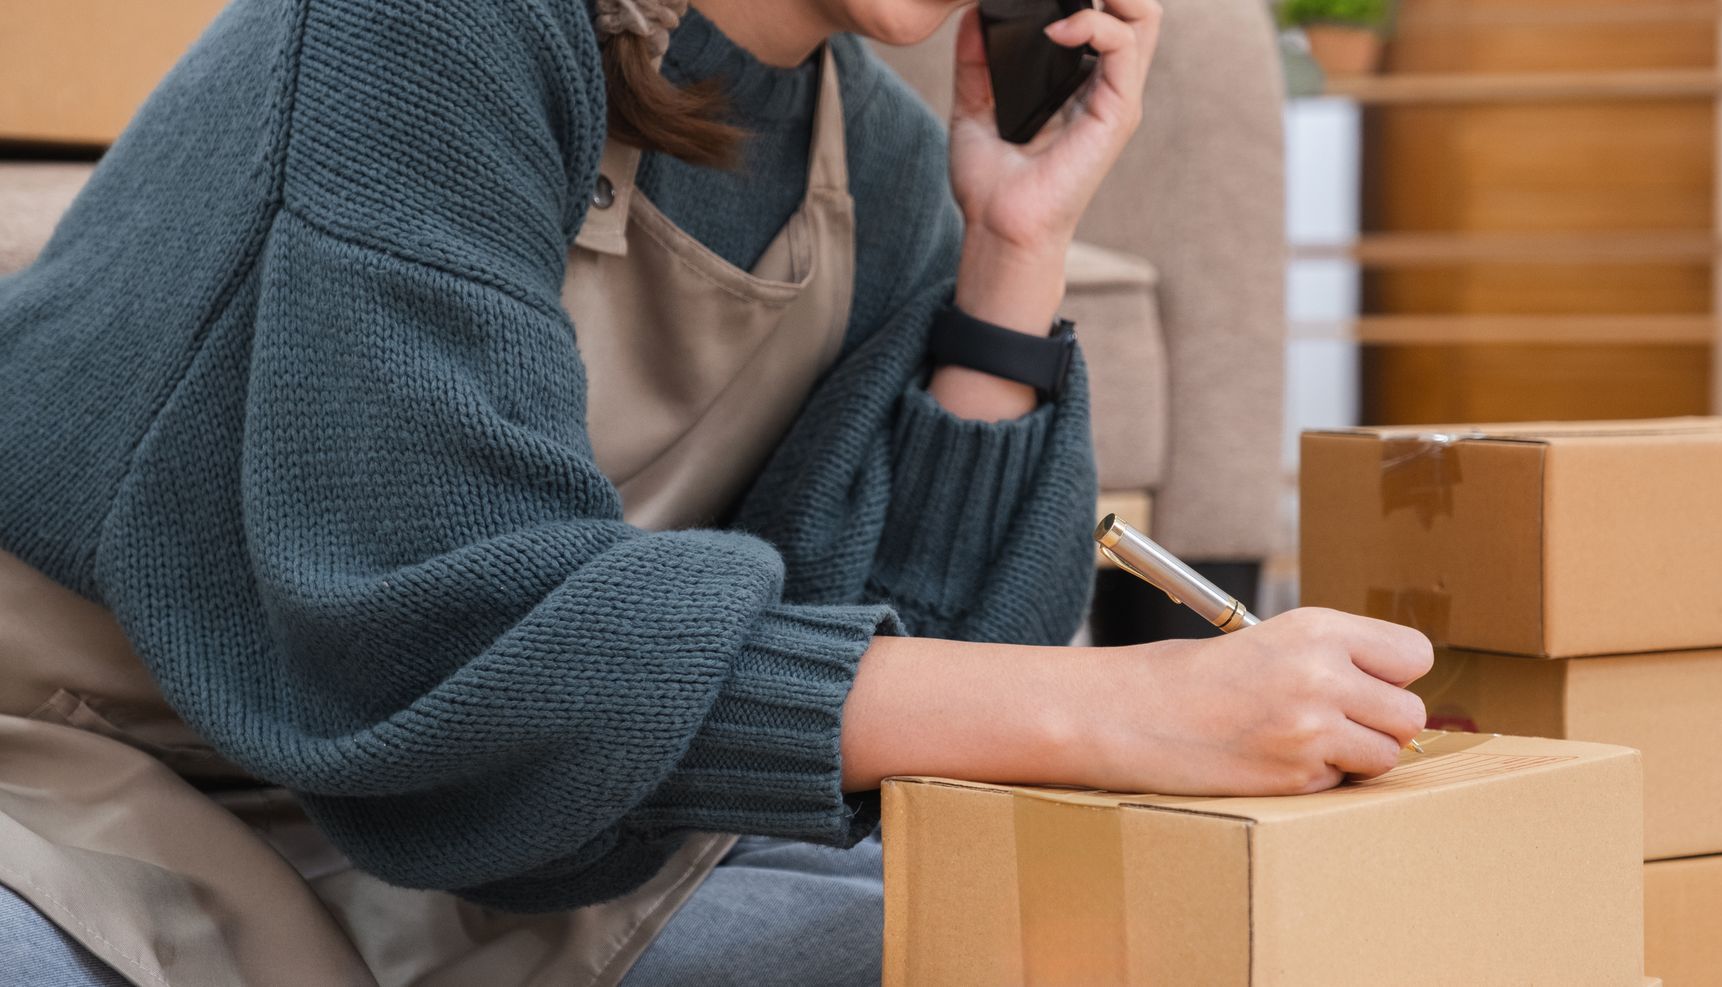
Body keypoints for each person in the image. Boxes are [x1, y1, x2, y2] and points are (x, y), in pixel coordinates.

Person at [0, 0, 1432, 983]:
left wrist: (1010, 248)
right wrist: (1130, 707)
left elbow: (908, 696)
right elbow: (439, 625)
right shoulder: (431, 27)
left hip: (483, 821)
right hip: (81, 776)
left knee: (1013, 942)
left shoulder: (868, 152)